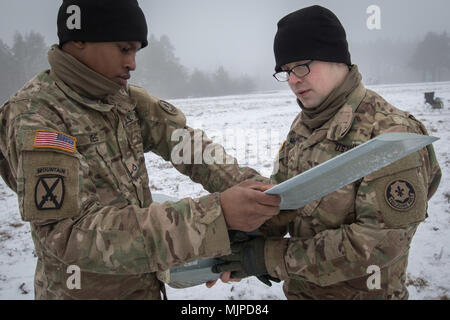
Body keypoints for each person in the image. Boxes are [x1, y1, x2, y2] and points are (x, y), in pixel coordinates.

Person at [0, 0, 281, 300]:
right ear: (79, 40)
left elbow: (191, 149)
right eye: (124, 49)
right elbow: (71, 236)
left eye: (136, 51)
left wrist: (261, 195)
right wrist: (214, 217)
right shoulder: (37, 116)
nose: (133, 64)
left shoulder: (122, 99)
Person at [212, 5, 442, 299]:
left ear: (336, 58)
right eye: (285, 71)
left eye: (301, 66)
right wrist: (242, 237)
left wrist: (271, 257)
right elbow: (285, 201)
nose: (293, 79)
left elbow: (378, 246)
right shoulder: (304, 126)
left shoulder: (390, 135)